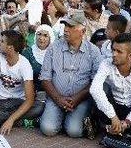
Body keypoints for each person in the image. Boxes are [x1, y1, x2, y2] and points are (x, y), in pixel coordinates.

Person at [39, 10, 102, 138]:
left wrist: (77, 98)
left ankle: (76, 118)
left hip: (81, 99)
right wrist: (58, 99)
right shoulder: (53, 48)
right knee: (48, 129)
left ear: (83, 31)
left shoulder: (93, 51)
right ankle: (61, 116)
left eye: (71, 27)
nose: (66, 30)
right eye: (65, 26)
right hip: (56, 97)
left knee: (75, 131)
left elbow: (95, 81)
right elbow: (45, 79)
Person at [89, 33, 131, 148]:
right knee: (101, 89)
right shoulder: (106, 63)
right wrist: (113, 117)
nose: (114, 54)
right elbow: (94, 89)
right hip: (112, 107)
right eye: (113, 50)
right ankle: (108, 126)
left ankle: (108, 128)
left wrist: (127, 122)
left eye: (119, 52)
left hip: (129, 110)